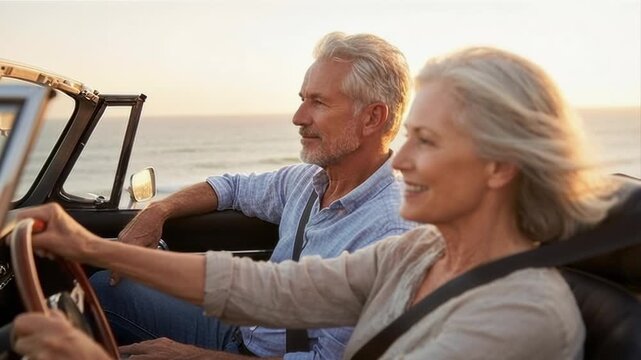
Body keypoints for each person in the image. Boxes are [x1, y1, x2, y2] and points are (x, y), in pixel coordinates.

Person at [12, 46, 621, 359]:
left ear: (501, 166)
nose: (402, 162)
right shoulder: (421, 253)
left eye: (426, 141)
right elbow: (268, 292)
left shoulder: (518, 316)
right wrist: (86, 243)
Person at [88, 31, 416, 359]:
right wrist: (158, 211)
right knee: (105, 287)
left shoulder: (392, 232)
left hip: (260, 353)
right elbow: (232, 188)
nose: (298, 118)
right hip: (243, 327)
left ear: (372, 117)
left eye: (318, 102)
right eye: (302, 99)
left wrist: (194, 356)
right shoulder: (306, 181)